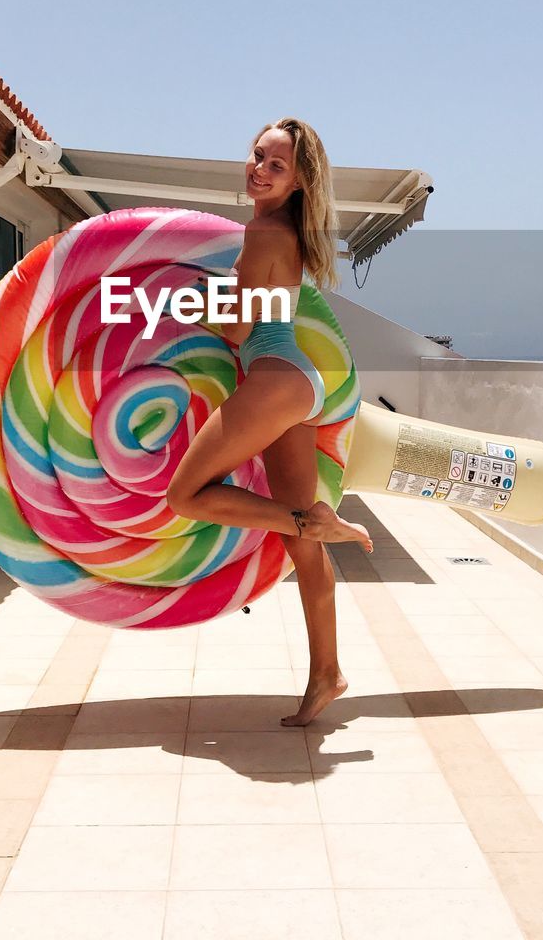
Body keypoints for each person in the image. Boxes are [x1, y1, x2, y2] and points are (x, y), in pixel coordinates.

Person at [166, 117, 373, 727]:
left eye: (275, 164)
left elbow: (236, 330)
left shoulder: (262, 234)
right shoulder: (284, 231)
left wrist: (193, 300)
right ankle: (327, 674)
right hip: (294, 382)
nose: (258, 168)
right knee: (300, 548)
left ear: (301, 180)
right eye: (257, 156)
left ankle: (317, 521)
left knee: (185, 496)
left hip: (277, 380)